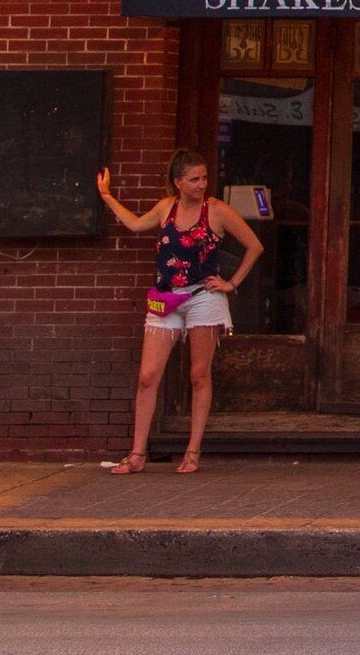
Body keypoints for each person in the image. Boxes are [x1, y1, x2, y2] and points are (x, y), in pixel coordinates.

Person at [93, 154, 262, 474]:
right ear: (178, 182)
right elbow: (134, 223)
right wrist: (106, 196)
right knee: (147, 376)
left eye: (204, 178)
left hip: (203, 297)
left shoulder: (217, 211)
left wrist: (231, 283)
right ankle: (137, 453)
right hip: (166, 296)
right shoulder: (165, 208)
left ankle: (193, 451)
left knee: (199, 374)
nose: (202, 185)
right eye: (195, 179)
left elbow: (254, 245)